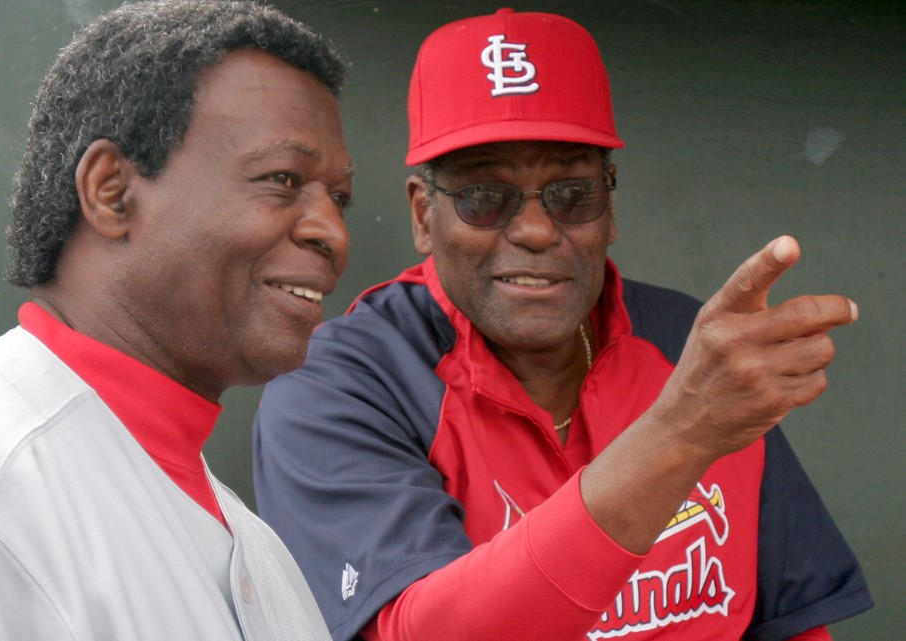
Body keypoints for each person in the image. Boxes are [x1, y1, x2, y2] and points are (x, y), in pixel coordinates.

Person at [252, 8, 873, 641]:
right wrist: (681, 432)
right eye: (484, 196)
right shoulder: (339, 385)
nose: (536, 230)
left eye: (571, 193)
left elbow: (790, 625)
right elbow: (427, 631)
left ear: (609, 205)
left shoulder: (694, 349)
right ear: (422, 215)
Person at [0, 1, 354, 639]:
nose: (332, 232)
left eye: (340, 198)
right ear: (111, 191)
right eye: (282, 179)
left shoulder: (251, 544)